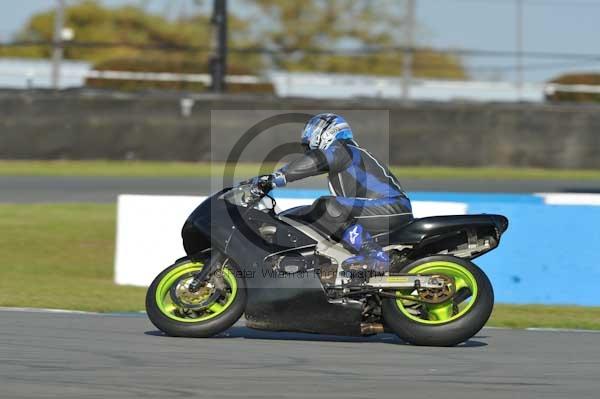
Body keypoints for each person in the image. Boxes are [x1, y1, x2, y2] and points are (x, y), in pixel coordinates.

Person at [256, 113, 413, 276]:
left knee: (327, 206)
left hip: (391, 208)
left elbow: (316, 161)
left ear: (322, 133)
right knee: (302, 211)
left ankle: (374, 254)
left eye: (308, 142)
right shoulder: (348, 153)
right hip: (383, 208)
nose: (308, 148)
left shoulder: (343, 149)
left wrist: (275, 177)